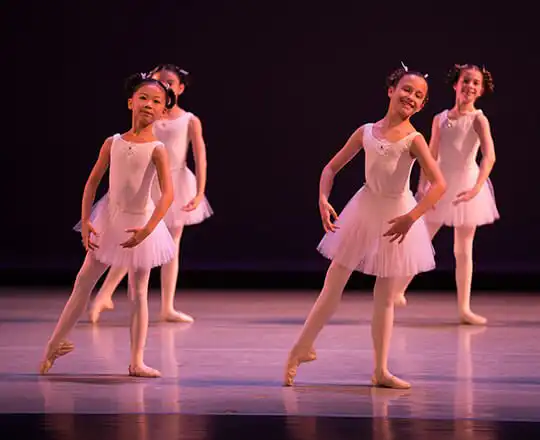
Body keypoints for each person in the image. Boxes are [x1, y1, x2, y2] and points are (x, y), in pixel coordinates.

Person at [284, 64, 446, 389]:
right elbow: (330, 168)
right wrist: (323, 198)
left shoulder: (415, 139)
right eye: (406, 89)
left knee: (385, 296)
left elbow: (439, 184)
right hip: (363, 208)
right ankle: (300, 348)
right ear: (391, 90)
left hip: (396, 215)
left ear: (422, 105)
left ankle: (381, 370)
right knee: (333, 284)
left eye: (418, 95)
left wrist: (412, 217)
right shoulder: (366, 131)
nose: (411, 97)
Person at [39, 73, 176, 377]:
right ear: (130, 102)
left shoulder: (157, 148)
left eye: (156, 101)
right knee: (83, 281)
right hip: (110, 219)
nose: (148, 104)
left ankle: (137, 361)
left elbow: (168, 194)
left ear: (163, 111)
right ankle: (54, 345)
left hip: (140, 223)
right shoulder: (112, 142)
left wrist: (148, 229)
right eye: (143, 98)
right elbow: (92, 183)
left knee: (138, 292)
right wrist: (86, 220)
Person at [89, 64, 212, 324]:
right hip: (146, 184)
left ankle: (167, 306)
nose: (163, 85)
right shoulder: (150, 115)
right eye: (159, 81)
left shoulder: (189, 120)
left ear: (180, 88)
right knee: (133, 241)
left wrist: (200, 191)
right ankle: (105, 294)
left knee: (172, 245)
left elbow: (200, 156)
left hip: (176, 183)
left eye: (169, 83)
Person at [395, 64, 498, 326]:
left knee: (463, 250)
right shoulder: (440, 119)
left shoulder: (478, 119)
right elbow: (430, 155)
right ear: (456, 84)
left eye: (475, 83)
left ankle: (464, 308)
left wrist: (477, 187)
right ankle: (397, 291)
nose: (470, 86)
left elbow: (489, 156)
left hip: (466, 186)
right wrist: (422, 186)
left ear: (481, 90)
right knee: (420, 239)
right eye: (466, 81)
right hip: (440, 185)